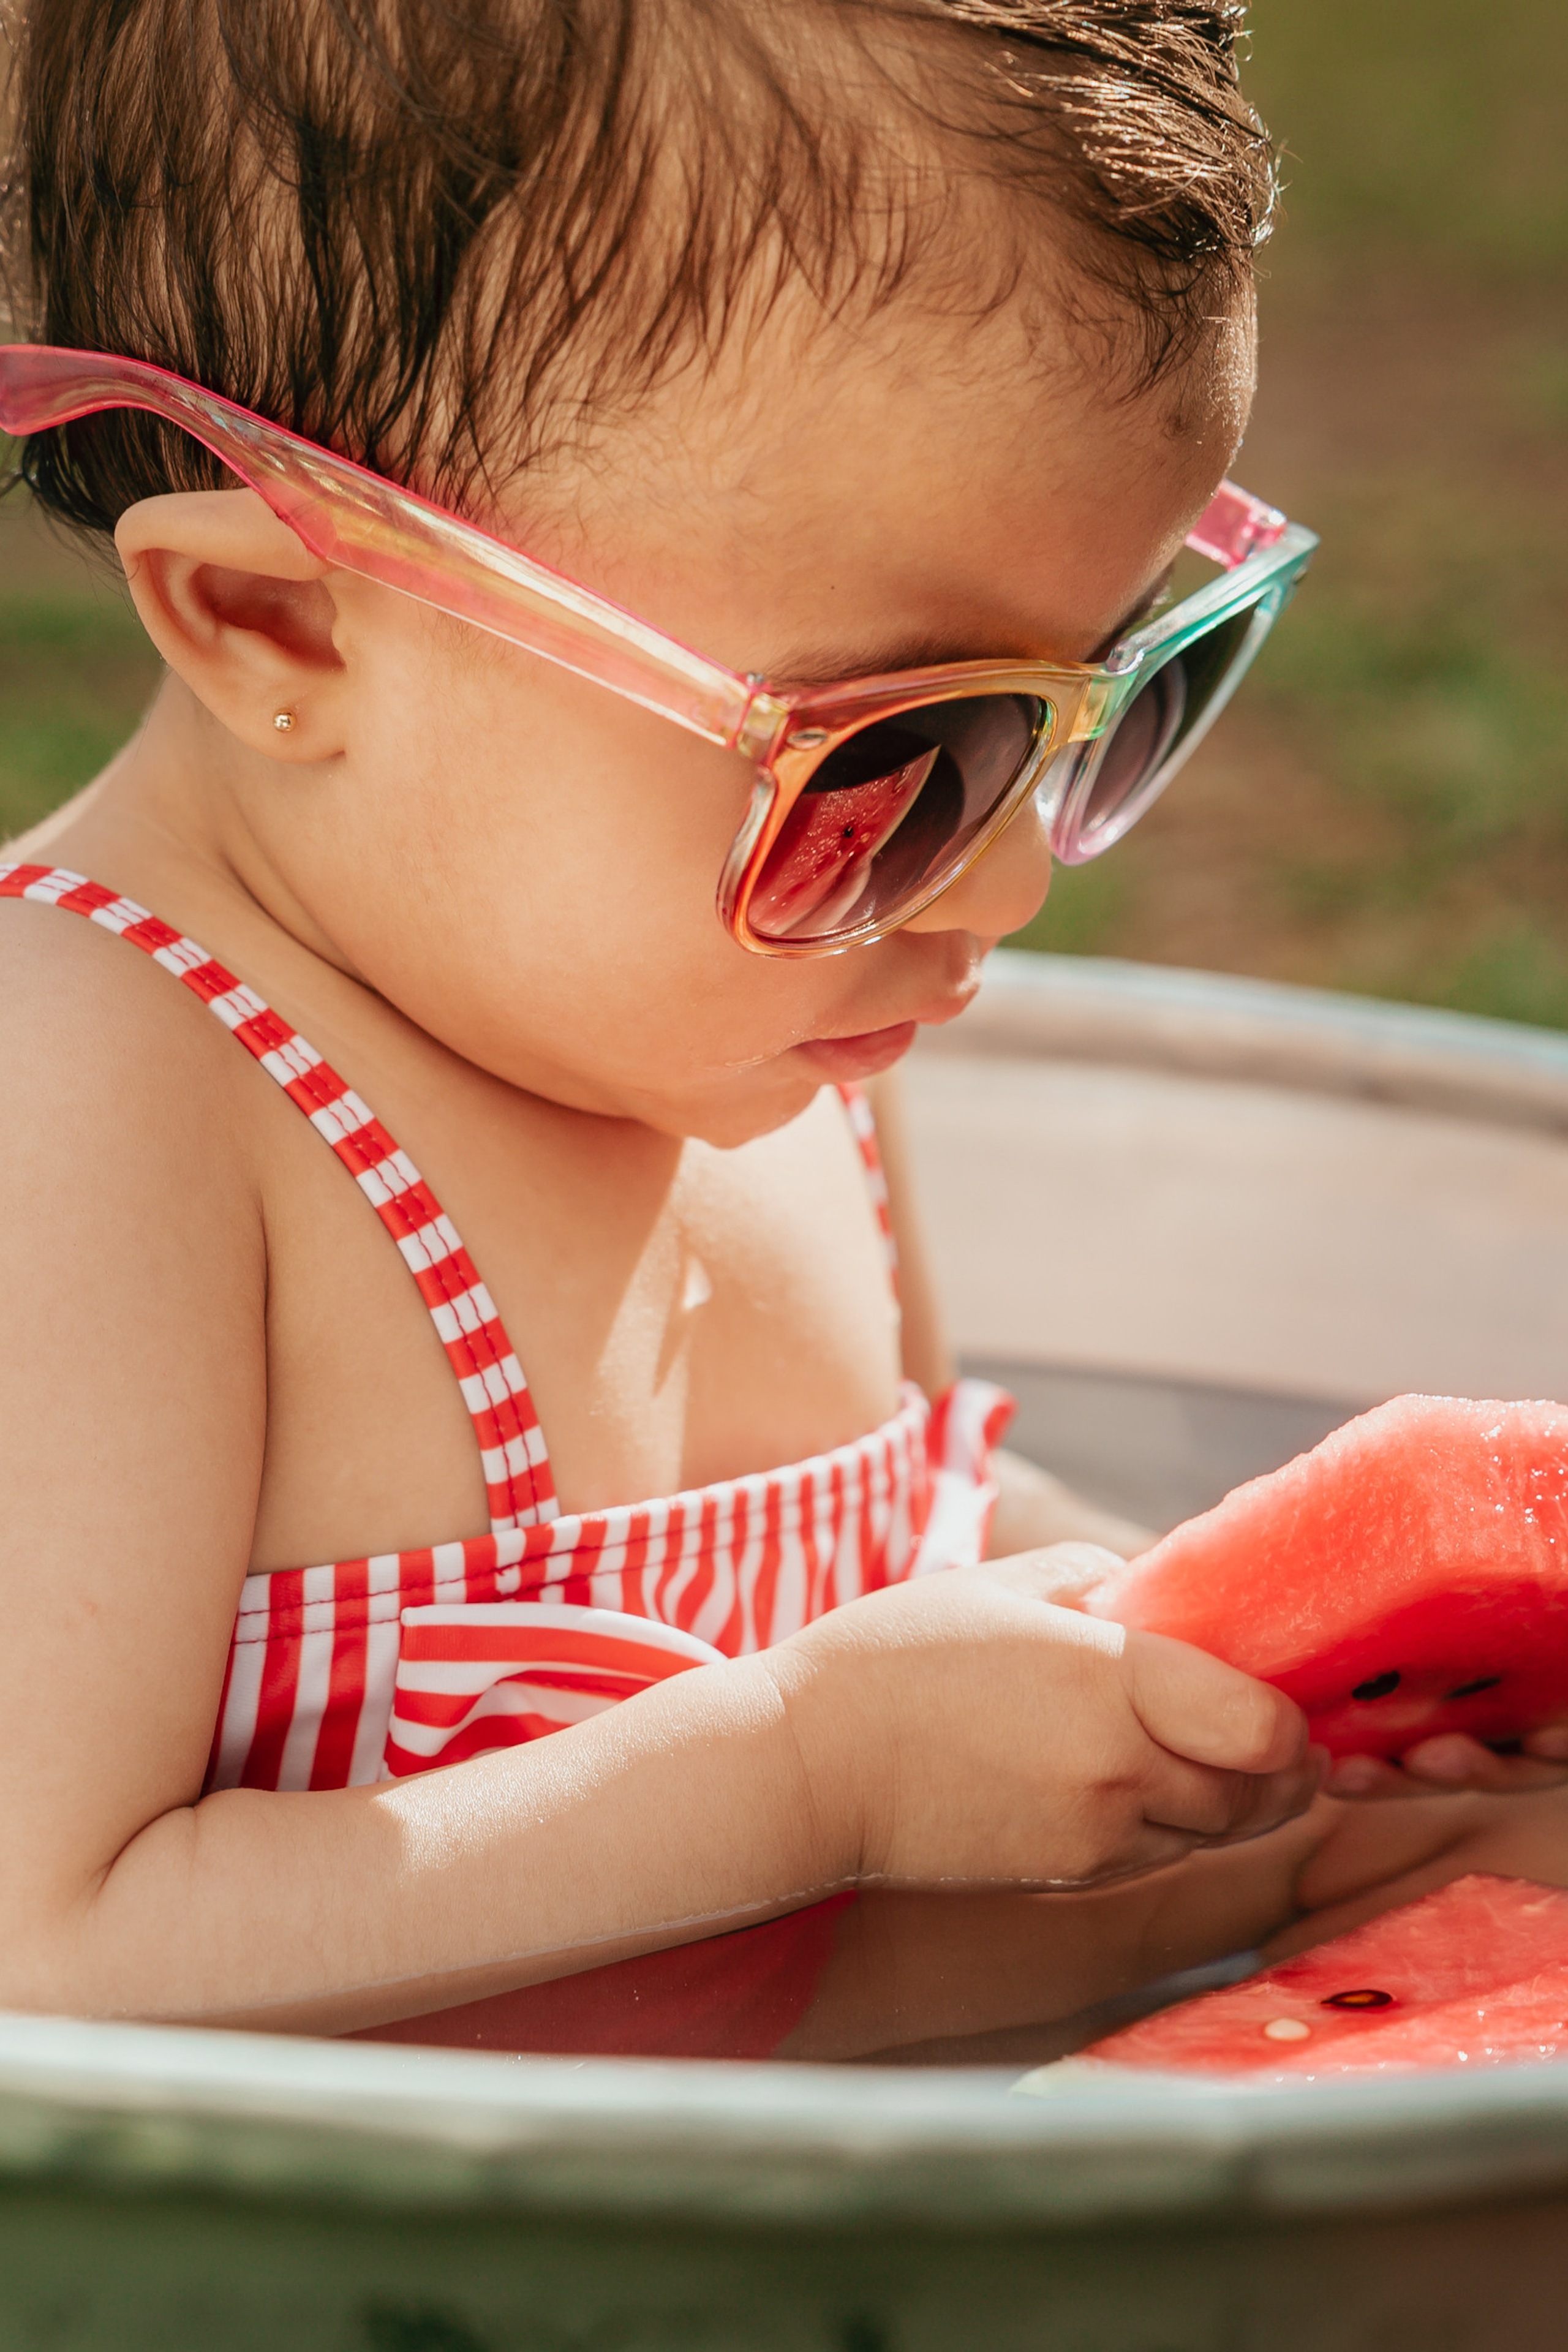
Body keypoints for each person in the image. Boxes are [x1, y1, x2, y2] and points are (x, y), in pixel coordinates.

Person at [2, 0, 1562, 2063]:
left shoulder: (766, 1025)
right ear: (279, 627)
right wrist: (799, 1776)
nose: (1002, 885)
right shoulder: (99, 1098)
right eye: (899, 756)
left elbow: (912, 1536)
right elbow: (48, 1953)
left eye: (1115, 691)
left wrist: (1224, 1669)